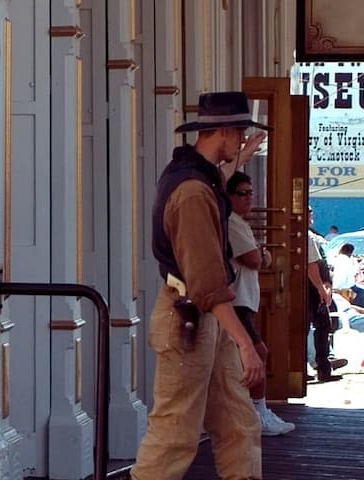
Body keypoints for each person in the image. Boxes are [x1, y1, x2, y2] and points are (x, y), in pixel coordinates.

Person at [134, 91, 267, 480]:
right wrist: (246, 343)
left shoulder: (197, 175)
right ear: (223, 130)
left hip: (201, 315)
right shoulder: (192, 192)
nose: (242, 139)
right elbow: (207, 281)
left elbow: (219, 176)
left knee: (238, 423)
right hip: (188, 315)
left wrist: (243, 156)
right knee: (174, 433)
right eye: (240, 132)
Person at [224, 172, 294, 437]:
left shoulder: (240, 223)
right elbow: (255, 259)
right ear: (228, 196)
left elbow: (260, 258)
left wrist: (261, 254)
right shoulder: (231, 223)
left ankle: (248, 411)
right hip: (236, 299)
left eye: (251, 192)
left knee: (241, 357)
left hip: (246, 298)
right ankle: (257, 412)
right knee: (257, 352)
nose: (249, 198)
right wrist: (261, 253)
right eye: (242, 193)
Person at [303, 207, 347, 382]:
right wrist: (321, 288)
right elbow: (311, 265)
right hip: (310, 289)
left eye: (311, 211)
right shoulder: (305, 236)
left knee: (324, 326)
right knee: (308, 328)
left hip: (320, 287)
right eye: (308, 212)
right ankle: (311, 368)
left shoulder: (313, 235)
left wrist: (327, 285)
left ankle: (323, 367)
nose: (311, 215)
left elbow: (322, 264)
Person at [330, 243, 364, 308]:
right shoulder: (349, 260)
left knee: (363, 289)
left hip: (336, 283)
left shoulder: (336, 258)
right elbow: (354, 272)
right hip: (345, 284)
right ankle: (356, 306)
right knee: (362, 291)